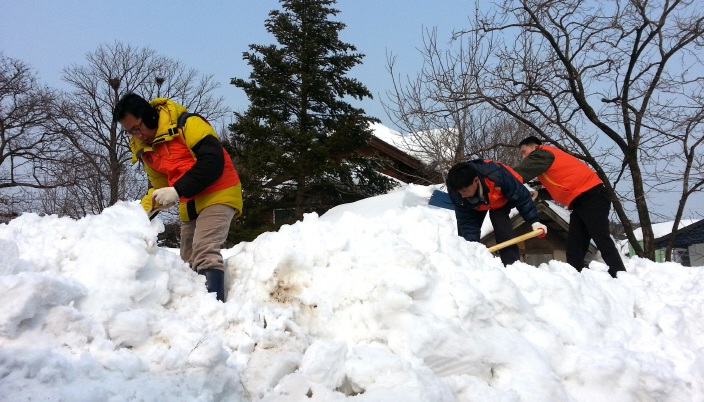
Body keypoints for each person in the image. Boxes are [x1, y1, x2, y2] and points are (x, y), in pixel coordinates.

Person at [113, 93, 242, 301]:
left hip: (219, 192)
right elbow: (160, 187)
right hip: (190, 202)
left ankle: (214, 311)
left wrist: (177, 190)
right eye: (129, 132)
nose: (136, 136)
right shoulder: (146, 149)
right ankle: (194, 313)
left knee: (204, 251)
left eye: (137, 128)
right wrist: (138, 215)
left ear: (150, 117)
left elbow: (212, 161)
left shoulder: (187, 124)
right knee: (187, 260)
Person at [514, 136, 626, 278]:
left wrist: (505, 179)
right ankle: (574, 276)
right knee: (575, 244)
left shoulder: (543, 153)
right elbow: (560, 188)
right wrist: (538, 194)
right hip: (580, 202)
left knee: (601, 238)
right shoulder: (547, 164)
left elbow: (520, 172)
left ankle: (619, 273)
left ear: (535, 147)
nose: (523, 157)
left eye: (524, 152)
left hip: (592, 197)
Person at [446, 159, 547, 266]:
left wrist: (535, 221)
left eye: (464, 191)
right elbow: (466, 221)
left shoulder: (497, 176)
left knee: (502, 227)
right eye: (460, 192)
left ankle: (512, 265)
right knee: (467, 241)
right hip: (475, 206)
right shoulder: (457, 192)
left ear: (476, 180)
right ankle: (468, 266)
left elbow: (522, 199)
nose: (462, 195)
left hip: (500, 200)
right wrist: (472, 247)